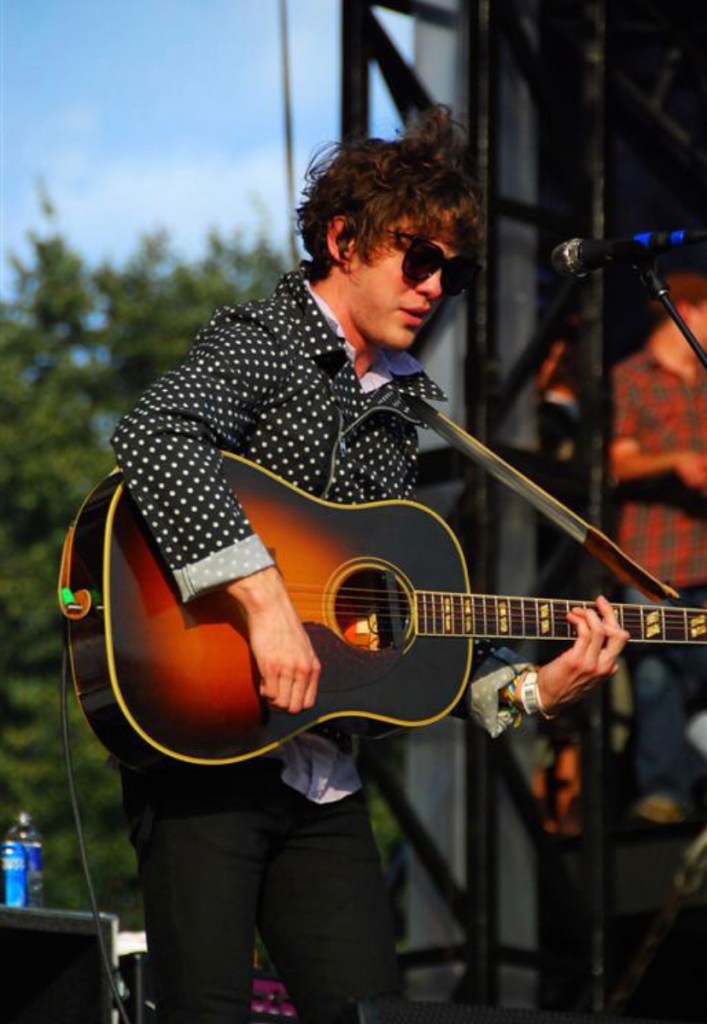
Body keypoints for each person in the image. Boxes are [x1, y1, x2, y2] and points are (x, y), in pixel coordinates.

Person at [111, 106, 628, 1024]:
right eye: (415, 258)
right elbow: (155, 433)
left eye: (453, 273)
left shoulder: (402, 409)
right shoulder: (263, 339)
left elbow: (394, 631)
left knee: (370, 1016)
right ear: (343, 240)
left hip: (321, 774)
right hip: (206, 742)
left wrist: (533, 691)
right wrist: (265, 605)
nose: (433, 288)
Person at [609, 271, 707, 824]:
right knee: (653, 675)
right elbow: (618, 462)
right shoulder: (630, 377)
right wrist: (675, 463)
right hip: (654, 558)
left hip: (704, 551)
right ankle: (666, 792)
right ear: (686, 311)